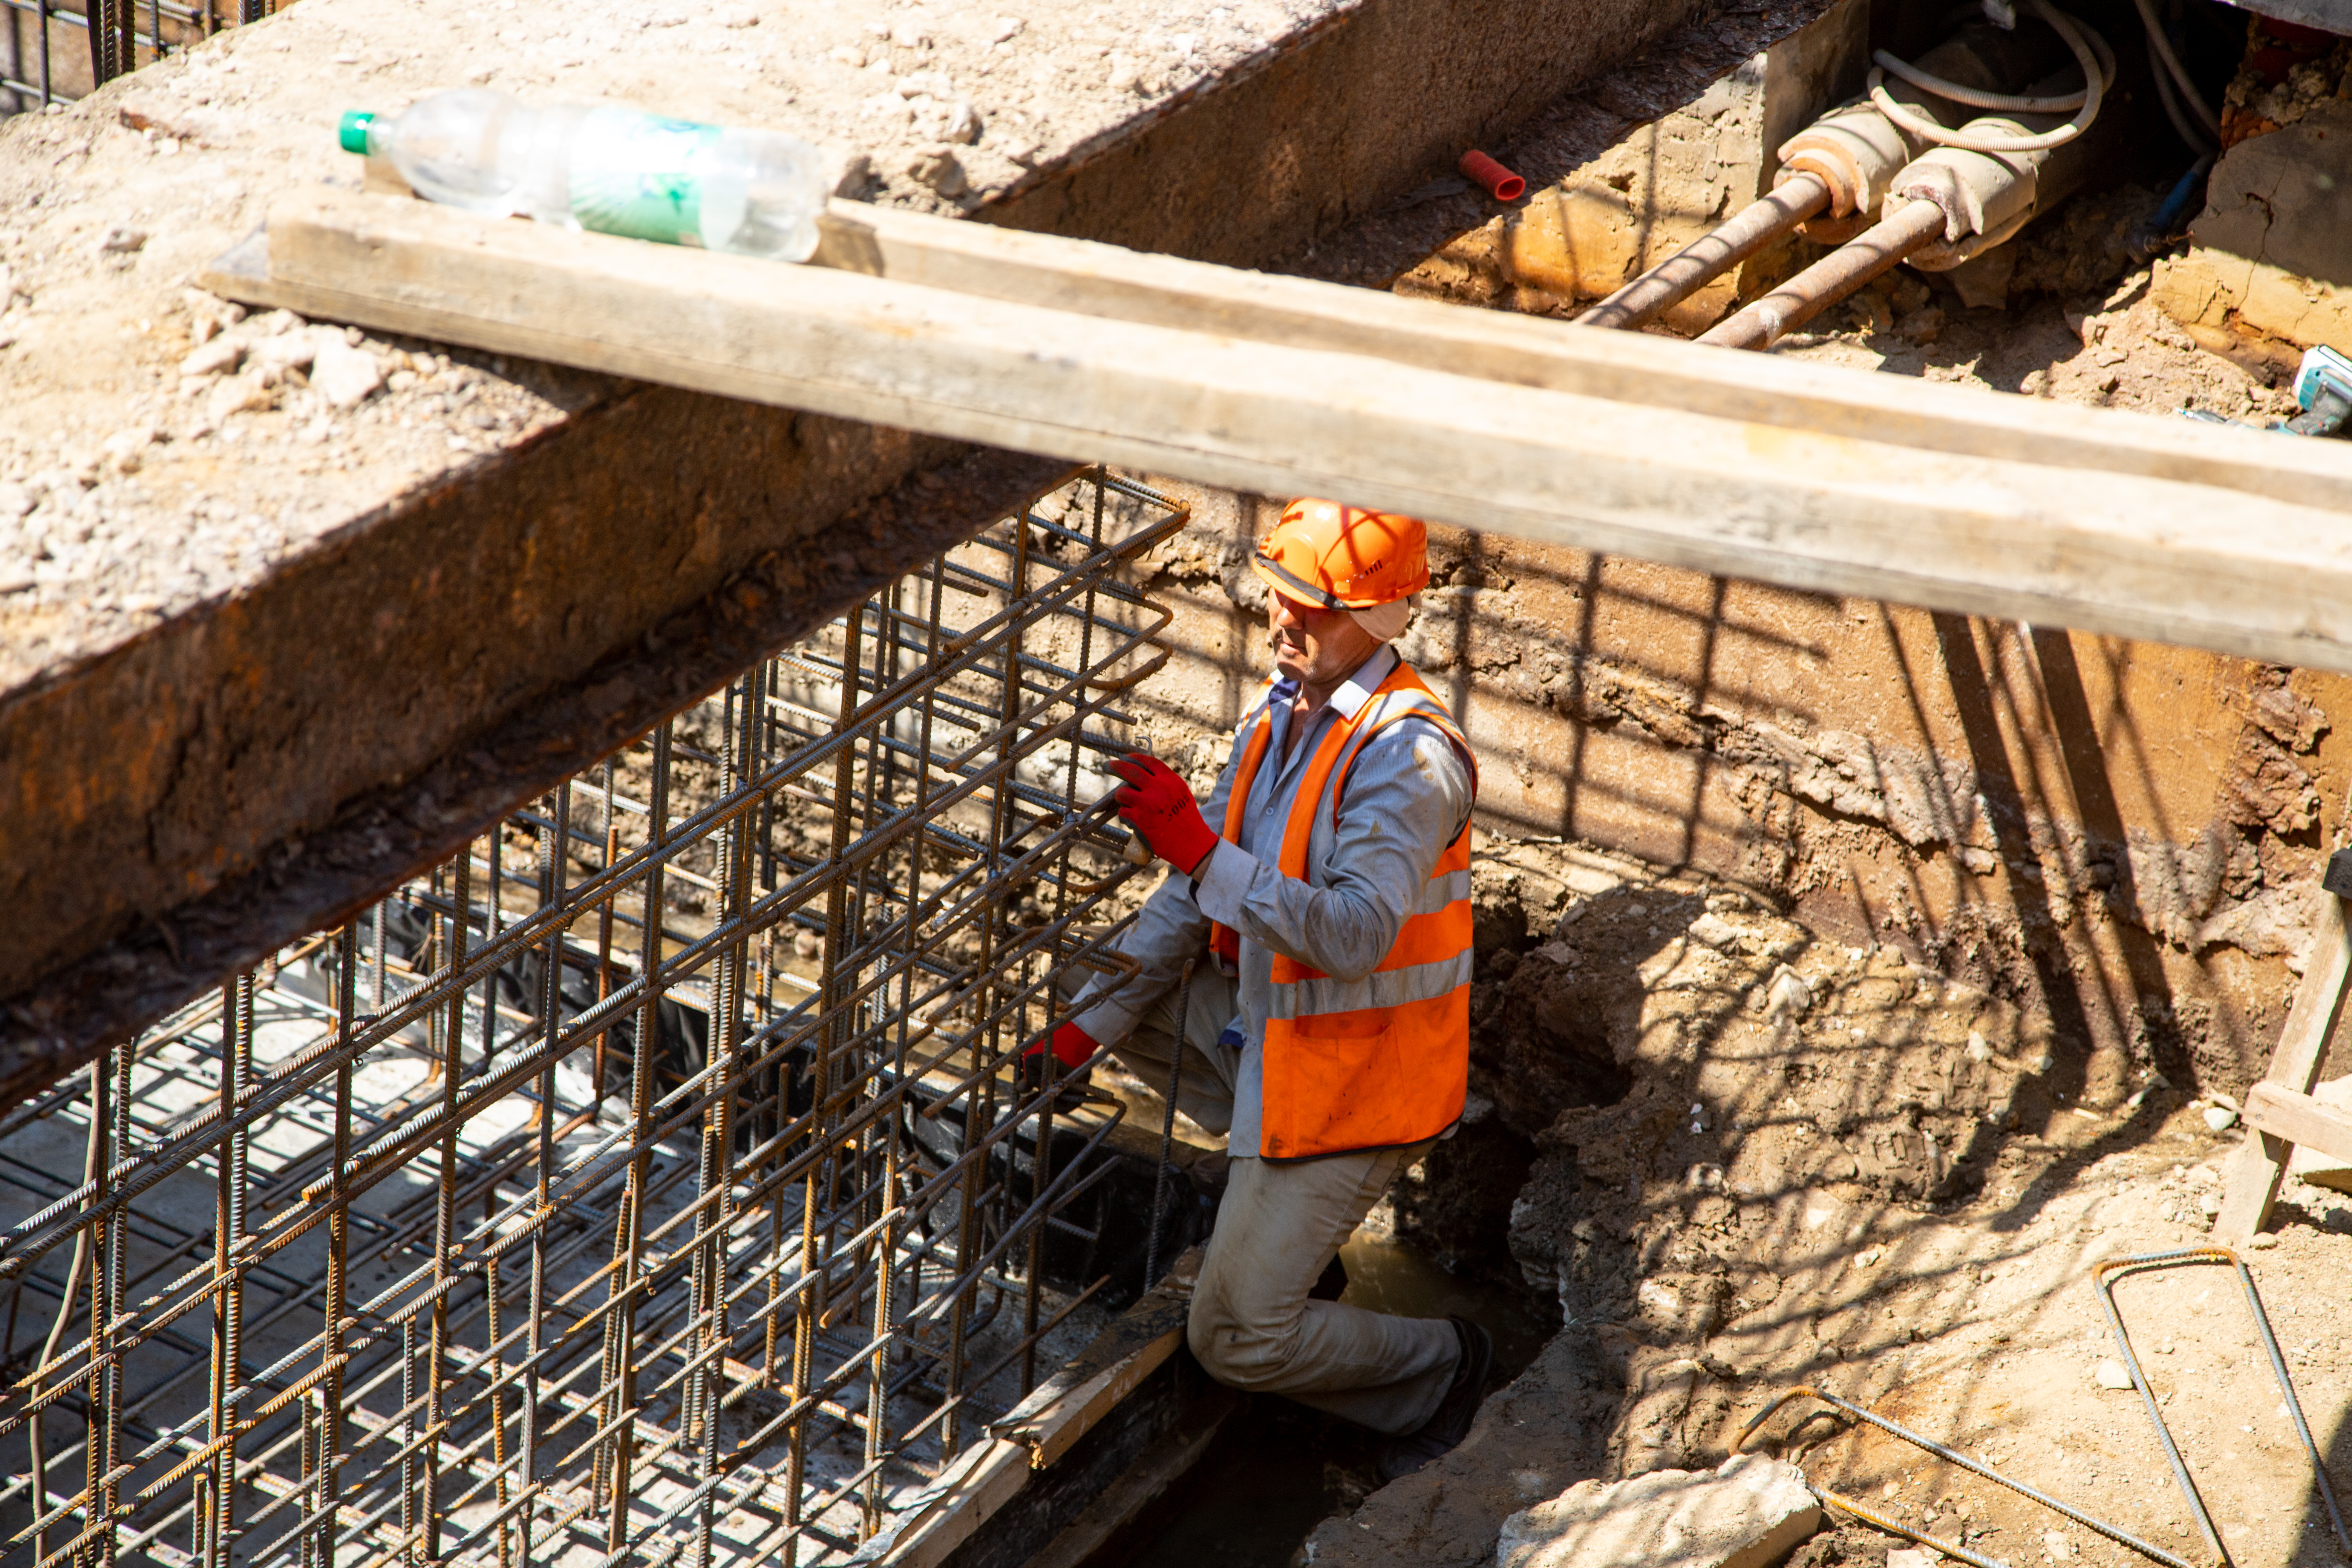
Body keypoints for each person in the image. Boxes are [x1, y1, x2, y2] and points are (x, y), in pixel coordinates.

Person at [1035, 497, 1489, 1481]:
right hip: (1277, 1044)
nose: (1283, 620)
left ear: (1374, 621)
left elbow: (1356, 937)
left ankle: (1444, 1368)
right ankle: (1271, 1214)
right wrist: (1081, 1034)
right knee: (1098, 980)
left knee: (1234, 1334)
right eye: (1279, 597)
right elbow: (1193, 893)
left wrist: (1201, 854)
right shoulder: (1285, 712)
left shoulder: (1409, 763)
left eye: (1311, 607)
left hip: (1354, 1088)